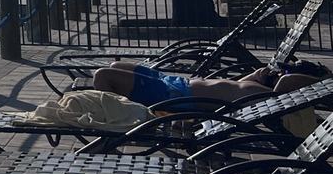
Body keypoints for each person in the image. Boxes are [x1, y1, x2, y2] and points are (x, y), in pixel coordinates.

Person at [93, 60, 327, 107]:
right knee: (116, 67)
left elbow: (288, 80)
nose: (271, 69)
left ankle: (116, 114)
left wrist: (322, 78)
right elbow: (231, 84)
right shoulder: (253, 87)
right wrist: (261, 74)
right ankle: (117, 104)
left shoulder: (272, 94)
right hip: (171, 82)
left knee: (103, 76)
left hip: (171, 94)